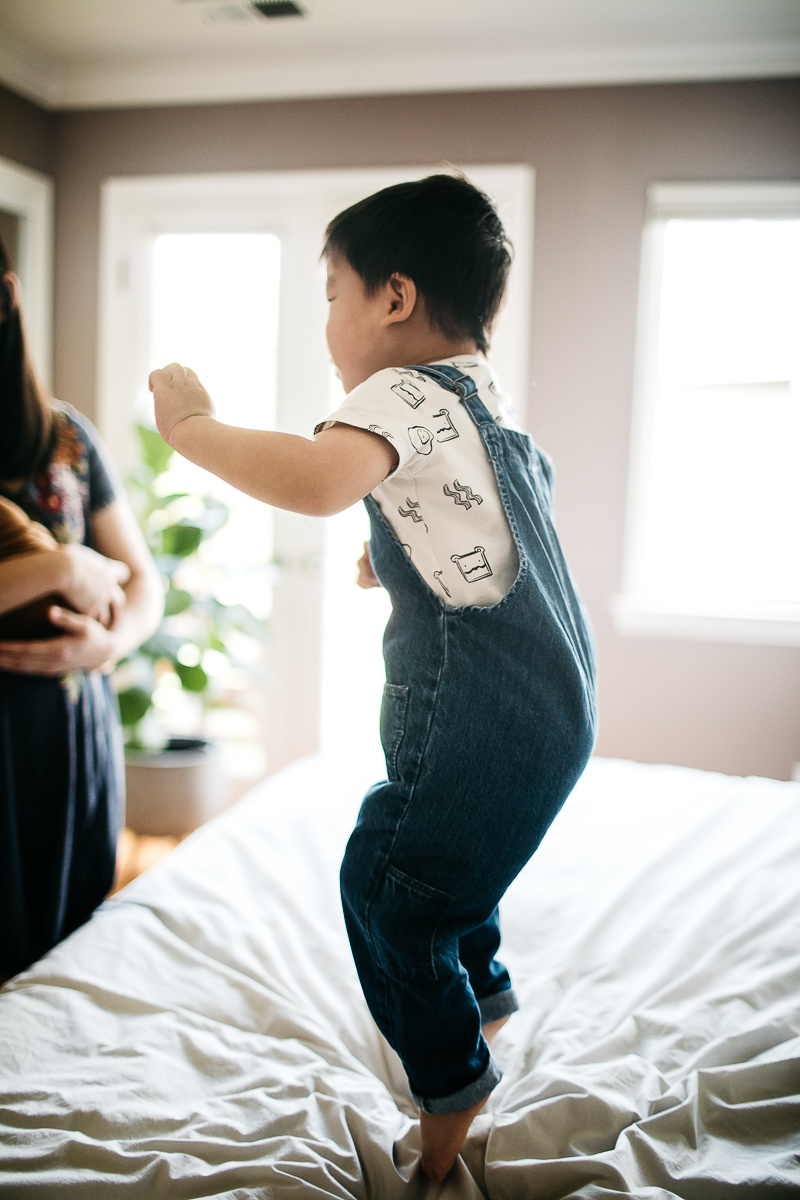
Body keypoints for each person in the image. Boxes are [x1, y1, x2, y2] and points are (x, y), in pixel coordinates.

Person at [149, 173, 597, 1182]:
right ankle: (482, 992)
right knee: (458, 862)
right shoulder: (483, 398)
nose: (327, 319)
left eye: (329, 294)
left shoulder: (394, 392)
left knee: (388, 883)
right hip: (553, 706)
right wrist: (390, 547)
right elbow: (476, 518)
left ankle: (453, 1087)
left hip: (479, 705)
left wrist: (192, 431)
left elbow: (315, 482)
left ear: (391, 299)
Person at [0, 242, 163, 983]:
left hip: (69, 738)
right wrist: (63, 565)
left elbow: (144, 586)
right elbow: (92, 566)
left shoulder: (67, 435)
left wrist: (106, 647)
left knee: (72, 959)